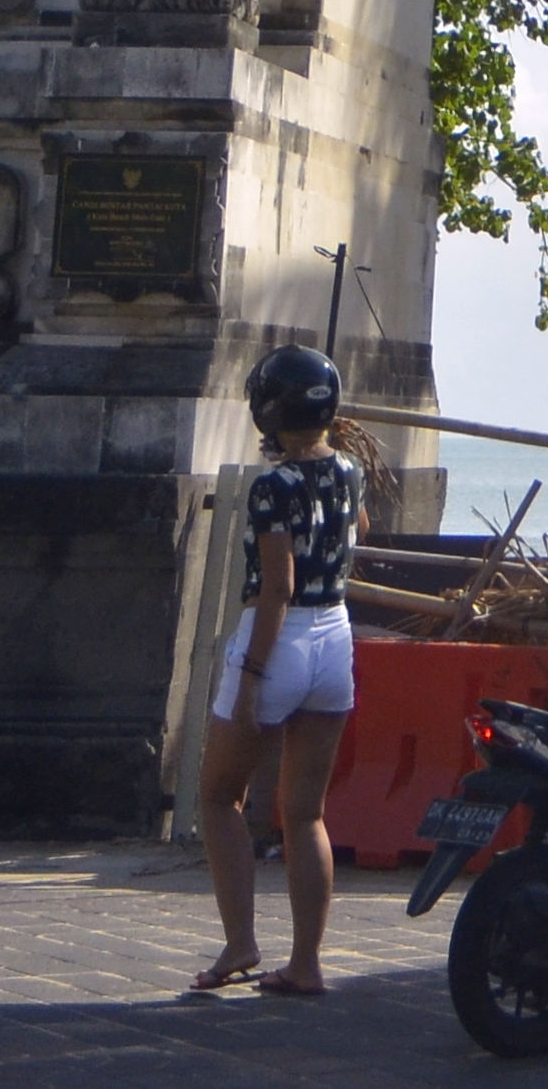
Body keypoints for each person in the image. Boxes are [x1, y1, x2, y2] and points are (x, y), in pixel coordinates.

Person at [192, 344, 361, 998]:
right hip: (336, 637)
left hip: (281, 637)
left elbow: (277, 587)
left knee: (218, 795)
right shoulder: (349, 471)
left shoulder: (272, 486)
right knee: (305, 812)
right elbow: (352, 536)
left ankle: (240, 943)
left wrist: (254, 675)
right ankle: (306, 964)